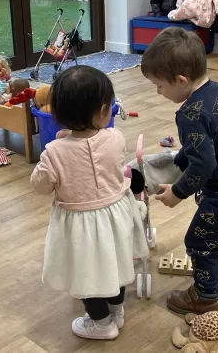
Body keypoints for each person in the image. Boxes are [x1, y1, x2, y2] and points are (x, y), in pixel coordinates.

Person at [141, 27, 218, 315]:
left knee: (198, 242)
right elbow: (207, 146)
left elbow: (204, 164)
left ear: (180, 80)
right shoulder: (215, 91)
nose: (158, 92)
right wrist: (179, 161)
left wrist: (178, 192)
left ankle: (205, 296)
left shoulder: (189, 114)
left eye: (159, 85)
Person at [30, 66, 148, 341]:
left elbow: (40, 185)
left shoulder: (54, 153)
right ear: (103, 111)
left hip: (80, 224)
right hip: (116, 214)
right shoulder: (115, 139)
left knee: (87, 273)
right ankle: (117, 311)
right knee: (114, 263)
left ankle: (101, 324)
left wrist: (54, 154)